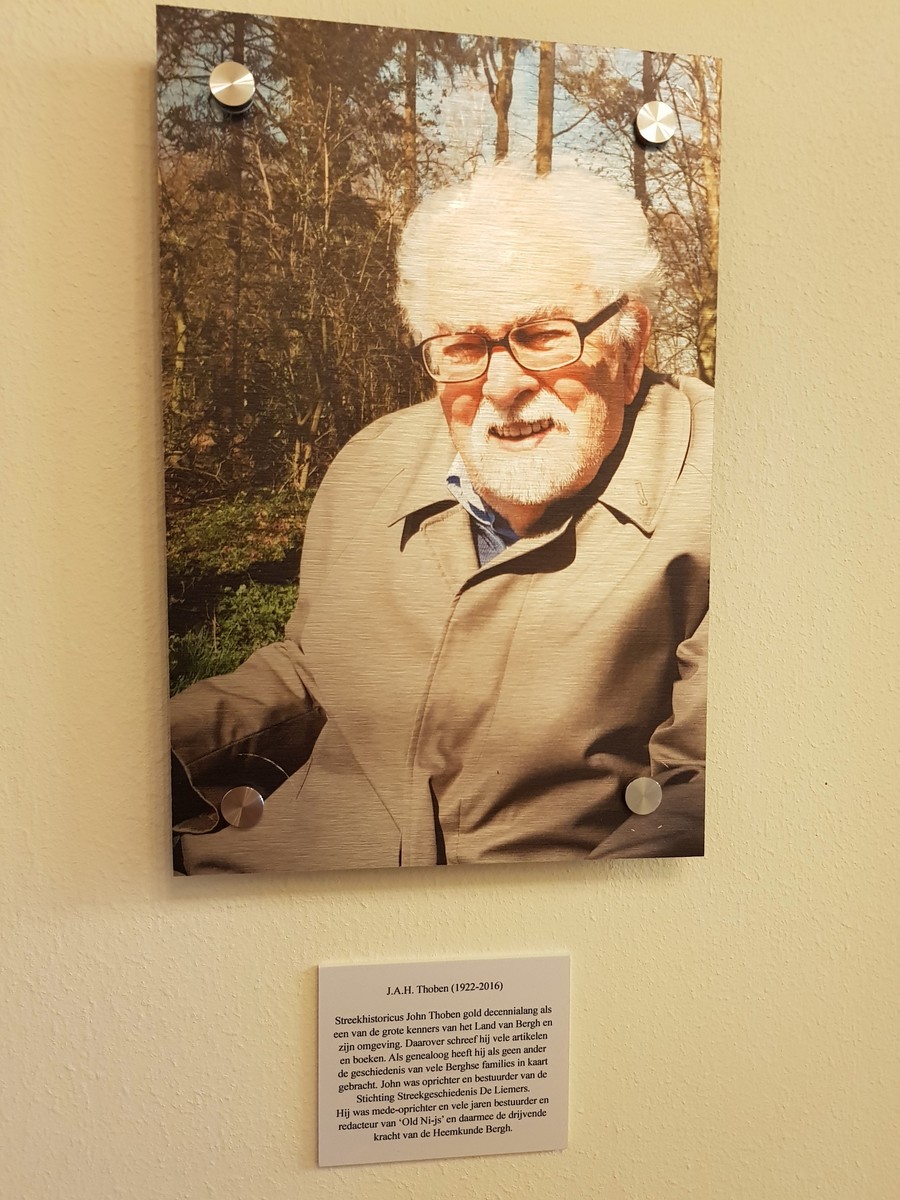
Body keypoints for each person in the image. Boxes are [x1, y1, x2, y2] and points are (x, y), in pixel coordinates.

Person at [170, 162, 713, 874]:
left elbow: (701, 793)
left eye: (543, 335)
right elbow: (311, 676)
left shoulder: (730, 487)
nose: (503, 385)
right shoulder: (374, 462)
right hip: (274, 884)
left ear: (631, 344)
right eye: (463, 347)